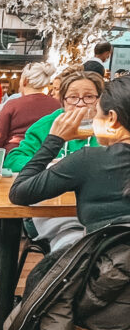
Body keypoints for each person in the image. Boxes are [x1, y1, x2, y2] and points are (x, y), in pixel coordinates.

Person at [10, 74, 130, 285]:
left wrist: (54, 140)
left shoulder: (90, 160)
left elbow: (19, 193)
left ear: (111, 118)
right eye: (73, 98)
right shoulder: (47, 126)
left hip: (103, 281)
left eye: (95, 107)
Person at [5, 68, 105, 253]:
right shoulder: (47, 125)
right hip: (51, 207)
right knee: (76, 245)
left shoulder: (109, 127)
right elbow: (13, 159)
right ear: (63, 102)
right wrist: (50, 165)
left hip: (98, 210)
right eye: (73, 97)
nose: (81, 104)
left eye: (89, 97)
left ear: (99, 100)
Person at [0, 62, 59, 152]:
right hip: (47, 154)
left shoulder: (13, 105)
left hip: (15, 154)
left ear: (25, 81)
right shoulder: (57, 105)